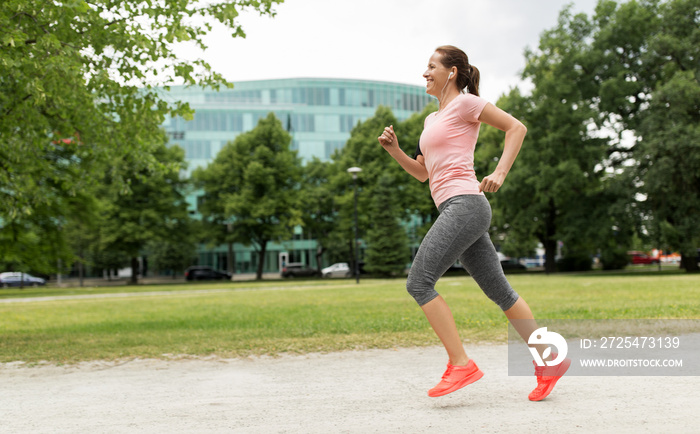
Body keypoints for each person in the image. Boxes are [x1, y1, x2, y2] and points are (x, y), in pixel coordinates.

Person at [377, 45, 569, 401]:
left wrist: (499, 171)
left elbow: (516, 127)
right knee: (501, 292)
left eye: (431, 66)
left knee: (419, 283)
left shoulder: (466, 103)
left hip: (466, 205)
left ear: (451, 72)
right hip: (456, 208)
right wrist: (395, 151)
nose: (425, 73)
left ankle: (460, 363)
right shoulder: (431, 120)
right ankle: (549, 359)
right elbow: (423, 173)